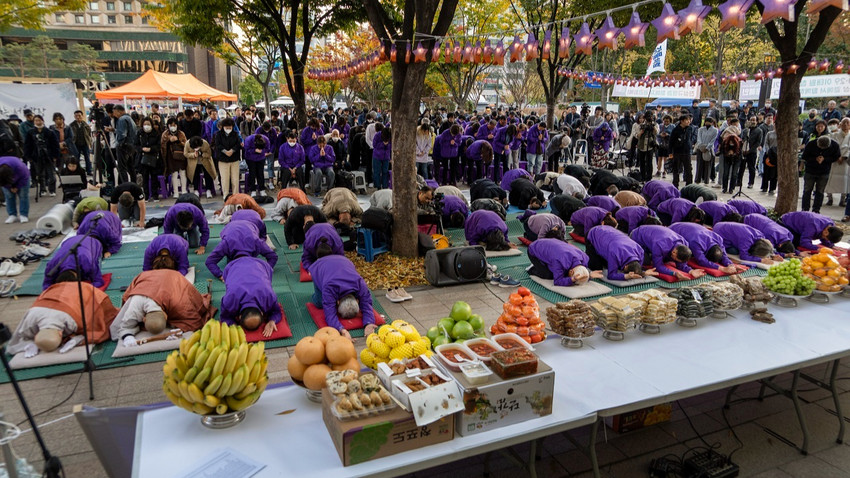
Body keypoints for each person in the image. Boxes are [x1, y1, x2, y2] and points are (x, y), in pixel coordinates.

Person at [6, 281, 118, 357]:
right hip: (55, 291)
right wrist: (32, 343)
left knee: (101, 316)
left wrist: (77, 339)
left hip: (84, 290)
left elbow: (95, 329)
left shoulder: (72, 321)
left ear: (60, 333)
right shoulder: (30, 318)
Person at [110, 269, 214, 346]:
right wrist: (127, 337)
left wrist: (180, 330)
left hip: (173, 276)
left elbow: (194, 320)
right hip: (146, 278)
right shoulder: (135, 304)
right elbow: (124, 326)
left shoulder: (178, 302)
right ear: (143, 318)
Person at [310, 254, 376, 339]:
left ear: (357, 301)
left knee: (326, 300)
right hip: (319, 265)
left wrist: (369, 323)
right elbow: (329, 314)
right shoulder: (329, 288)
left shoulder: (360, 283)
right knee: (320, 303)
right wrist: (341, 330)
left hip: (343, 260)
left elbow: (367, 304)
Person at [205, 220, 277, 280]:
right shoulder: (226, 244)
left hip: (251, 226)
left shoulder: (257, 242)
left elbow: (273, 256)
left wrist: (266, 270)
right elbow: (209, 261)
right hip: (230, 227)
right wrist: (220, 275)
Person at [631, 225, 705, 280]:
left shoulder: (685, 244)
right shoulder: (660, 245)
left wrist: (691, 271)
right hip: (637, 236)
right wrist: (674, 273)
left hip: (656, 237)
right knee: (647, 262)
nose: (676, 262)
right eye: (676, 259)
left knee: (664, 258)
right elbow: (658, 267)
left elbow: (681, 265)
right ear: (674, 252)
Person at [585, 225, 656, 280]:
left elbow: (638, 269)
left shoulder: (640, 251)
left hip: (610, 233)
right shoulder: (615, 253)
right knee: (597, 269)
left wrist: (643, 273)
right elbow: (611, 275)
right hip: (594, 233)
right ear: (625, 266)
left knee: (611, 264)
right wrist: (626, 276)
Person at [669, 222, 738, 273]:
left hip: (690, 228)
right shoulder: (696, 243)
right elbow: (702, 261)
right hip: (674, 229)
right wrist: (722, 269)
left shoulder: (718, 238)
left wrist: (730, 264)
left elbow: (724, 255)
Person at [528, 238, 600, 286]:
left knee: (560, 272)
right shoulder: (559, 261)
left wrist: (589, 276)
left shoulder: (585, 258)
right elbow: (557, 281)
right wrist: (572, 279)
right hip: (534, 249)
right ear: (571, 271)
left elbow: (582, 272)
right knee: (549, 275)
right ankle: (532, 269)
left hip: (553, 246)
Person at [801, 136, 840, 213]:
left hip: (824, 171)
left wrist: (825, 159)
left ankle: (816, 209)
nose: (821, 149)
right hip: (810, 170)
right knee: (807, 191)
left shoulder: (835, 145)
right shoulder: (811, 144)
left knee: (820, 191)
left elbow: (836, 157)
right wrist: (815, 159)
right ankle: (805, 209)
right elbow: (805, 156)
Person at [23, 115, 60, 197]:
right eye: (36, 120)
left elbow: (55, 145)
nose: (38, 122)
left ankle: (52, 189)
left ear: (43, 121)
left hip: (49, 156)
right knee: (40, 174)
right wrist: (28, 157)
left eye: (39, 120)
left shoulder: (50, 132)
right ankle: (42, 189)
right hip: (36, 156)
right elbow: (27, 145)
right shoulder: (30, 132)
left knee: (51, 175)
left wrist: (55, 156)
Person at [712, 221, 780, 265]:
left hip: (723, 224)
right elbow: (743, 256)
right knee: (735, 251)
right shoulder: (746, 240)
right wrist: (761, 260)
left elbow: (767, 247)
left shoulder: (761, 236)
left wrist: (773, 255)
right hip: (718, 230)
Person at [214, 117, 243, 197]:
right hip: (223, 160)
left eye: (230, 128)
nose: (228, 129)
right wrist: (225, 151)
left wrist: (232, 150)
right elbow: (217, 145)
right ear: (223, 127)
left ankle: (236, 196)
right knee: (225, 180)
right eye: (227, 128)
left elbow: (238, 144)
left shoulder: (235, 134)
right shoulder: (218, 135)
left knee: (235, 179)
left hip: (234, 159)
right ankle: (225, 196)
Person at [161, 118, 188, 198]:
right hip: (170, 156)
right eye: (171, 125)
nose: (173, 127)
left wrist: (178, 141)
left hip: (181, 155)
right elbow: (162, 145)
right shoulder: (165, 134)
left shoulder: (181, 133)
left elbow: (186, 144)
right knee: (174, 174)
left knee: (183, 173)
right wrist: (169, 140)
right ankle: (175, 192)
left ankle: (184, 190)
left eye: (174, 125)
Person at [0, 156, 30, 223]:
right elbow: (2, 182)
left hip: (22, 179)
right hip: (6, 179)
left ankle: (23, 214)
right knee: (9, 196)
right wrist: (9, 187)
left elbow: (24, 178)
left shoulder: (20, 167)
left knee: (23, 196)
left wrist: (17, 187)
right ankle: (12, 215)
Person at [112, 105, 137, 184]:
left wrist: (119, 144)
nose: (114, 115)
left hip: (124, 145)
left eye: (115, 112)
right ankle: (134, 184)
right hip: (131, 145)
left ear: (119, 111)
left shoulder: (122, 119)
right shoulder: (129, 119)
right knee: (130, 167)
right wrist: (114, 130)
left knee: (122, 168)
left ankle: (125, 185)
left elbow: (122, 134)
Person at [667, 114, 693, 187]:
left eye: (689, 120)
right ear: (682, 121)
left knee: (688, 169)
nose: (688, 121)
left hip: (687, 152)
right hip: (677, 152)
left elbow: (691, 138)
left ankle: (689, 185)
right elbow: (671, 141)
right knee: (676, 169)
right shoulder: (676, 130)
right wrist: (670, 152)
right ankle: (675, 184)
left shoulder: (690, 128)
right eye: (687, 120)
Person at [632, 112, 659, 181]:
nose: (649, 118)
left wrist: (653, 127)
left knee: (649, 162)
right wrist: (642, 131)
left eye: (651, 116)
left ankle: (649, 177)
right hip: (641, 145)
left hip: (650, 145)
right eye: (648, 117)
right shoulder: (641, 125)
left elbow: (656, 133)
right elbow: (637, 135)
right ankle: (643, 177)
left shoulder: (655, 124)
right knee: (642, 162)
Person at [243, 132, 271, 197]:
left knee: (260, 173)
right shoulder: (248, 139)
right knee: (252, 173)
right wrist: (254, 150)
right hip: (250, 158)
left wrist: (262, 151)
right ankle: (253, 190)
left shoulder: (266, 139)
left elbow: (268, 149)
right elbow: (246, 149)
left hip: (261, 158)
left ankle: (262, 189)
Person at [719, 119, 743, 194]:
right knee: (726, 173)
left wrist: (735, 152)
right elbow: (722, 147)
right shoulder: (725, 136)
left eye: (736, 125)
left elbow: (741, 146)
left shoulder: (740, 135)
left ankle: (731, 188)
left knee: (734, 173)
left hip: (737, 157)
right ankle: (725, 187)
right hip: (727, 157)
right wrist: (727, 152)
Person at [694, 117, 718, 185]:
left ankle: (706, 181)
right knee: (699, 165)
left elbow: (713, 140)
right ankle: (697, 180)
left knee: (708, 165)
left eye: (709, 122)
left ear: (712, 123)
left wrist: (707, 147)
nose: (707, 123)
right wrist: (701, 146)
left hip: (709, 149)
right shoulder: (701, 129)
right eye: (706, 122)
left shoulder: (715, 130)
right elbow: (699, 138)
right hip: (700, 148)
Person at [70, 110, 93, 175]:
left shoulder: (85, 124)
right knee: (76, 159)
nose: (78, 117)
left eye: (79, 116)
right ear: (74, 117)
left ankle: (89, 171)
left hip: (85, 143)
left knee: (87, 158)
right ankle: (77, 171)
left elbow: (89, 134)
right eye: (76, 116)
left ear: (82, 116)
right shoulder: (71, 125)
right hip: (76, 144)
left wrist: (89, 142)